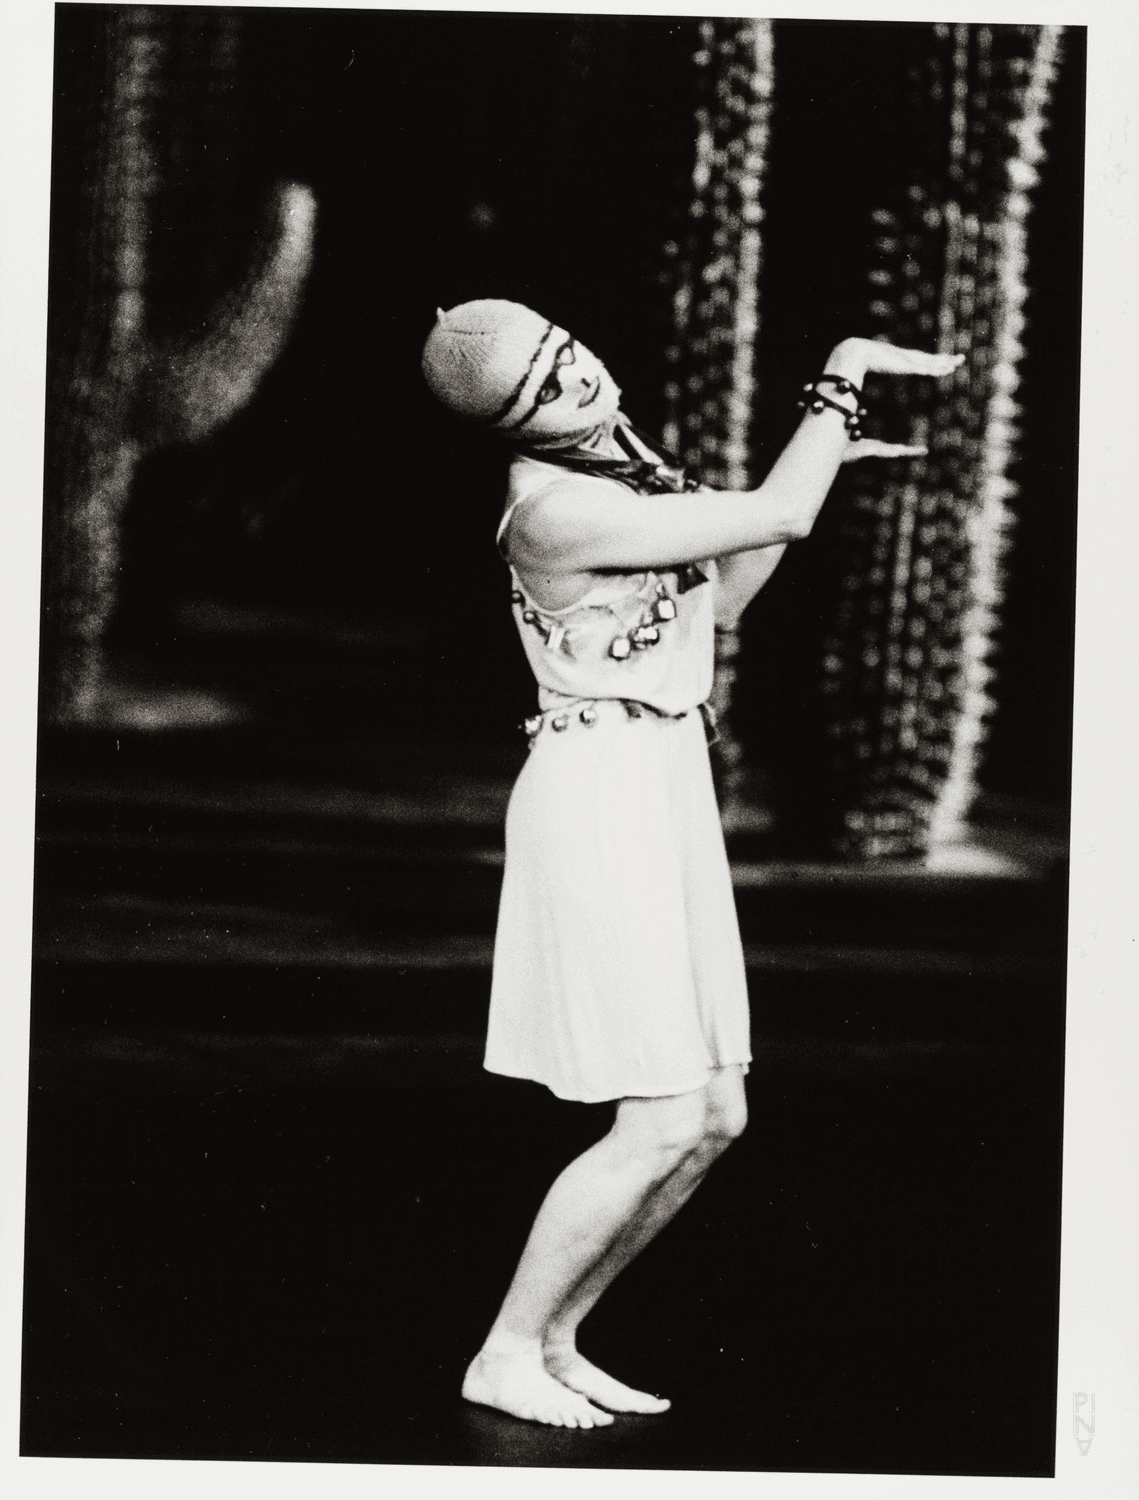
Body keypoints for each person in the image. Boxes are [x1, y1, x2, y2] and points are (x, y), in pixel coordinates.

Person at [421, 300, 962, 1428]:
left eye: (570, 353)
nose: (582, 379)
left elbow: (721, 604)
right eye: (548, 386)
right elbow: (780, 511)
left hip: (658, 778)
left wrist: (806, 473)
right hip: (599, 792)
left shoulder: (617, 478)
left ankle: (556, 1338)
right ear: (512, 424)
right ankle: (502, 1351)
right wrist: (838, 377)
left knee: (715, 1114)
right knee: (661, 1119)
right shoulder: (555, 508)